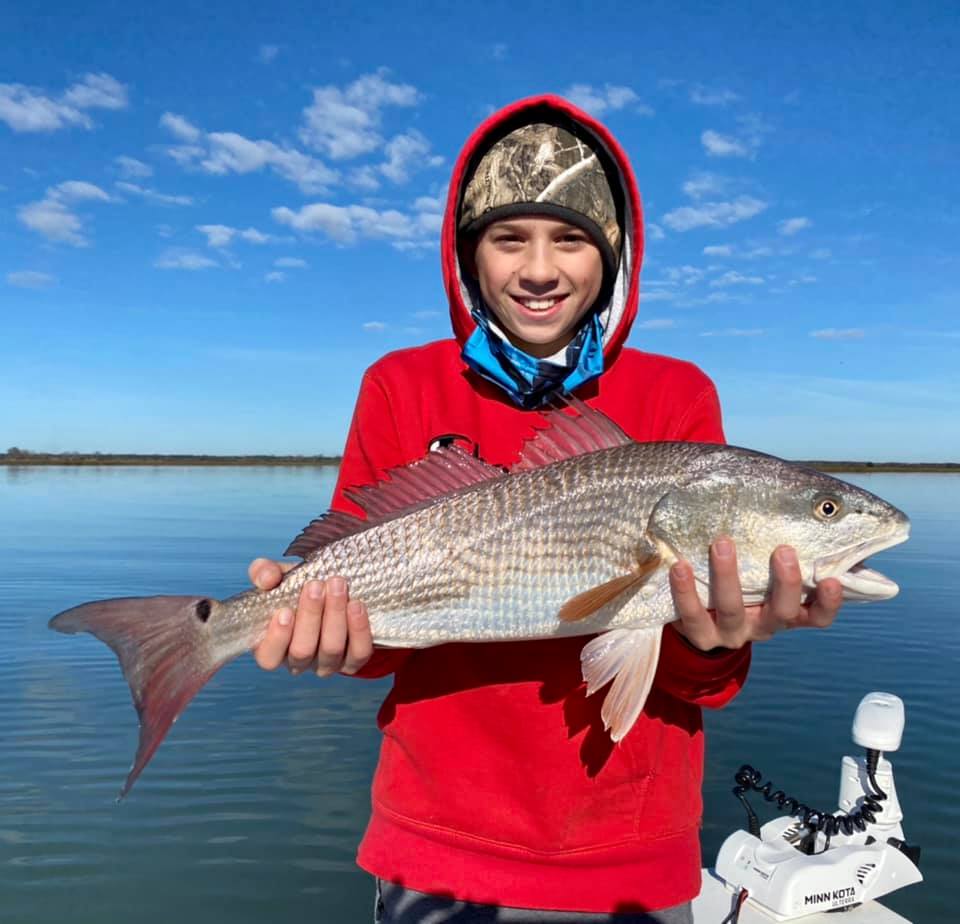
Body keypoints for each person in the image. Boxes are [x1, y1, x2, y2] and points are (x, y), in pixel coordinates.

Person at [248, 95, 843, 922]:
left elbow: (694, 676)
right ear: (467, 256)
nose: (538, 269)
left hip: (632, 854)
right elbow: (380, 649)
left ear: (614, 255)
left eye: (570, 239)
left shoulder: (676, 396)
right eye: (507, 238)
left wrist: (716, 642)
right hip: (437, 846)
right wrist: (329, 638)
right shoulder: (401, 384)